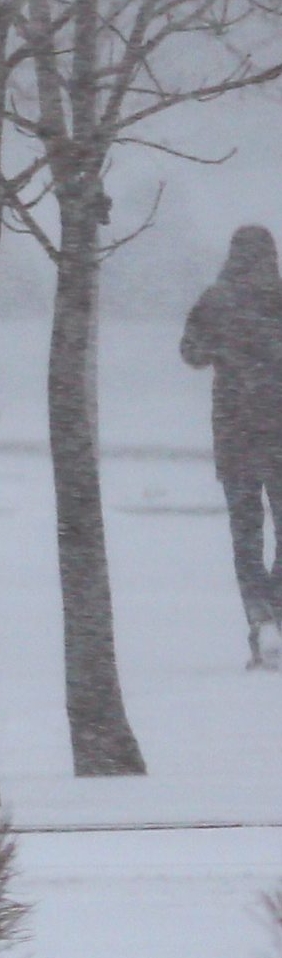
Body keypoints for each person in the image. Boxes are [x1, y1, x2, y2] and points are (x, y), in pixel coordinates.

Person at [180, 224, 282, 669]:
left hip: (235, 434)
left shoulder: (216, 301)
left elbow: (191, 353)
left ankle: (259, 616)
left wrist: (224, 344)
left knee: (245, 538)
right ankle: (276, 610)